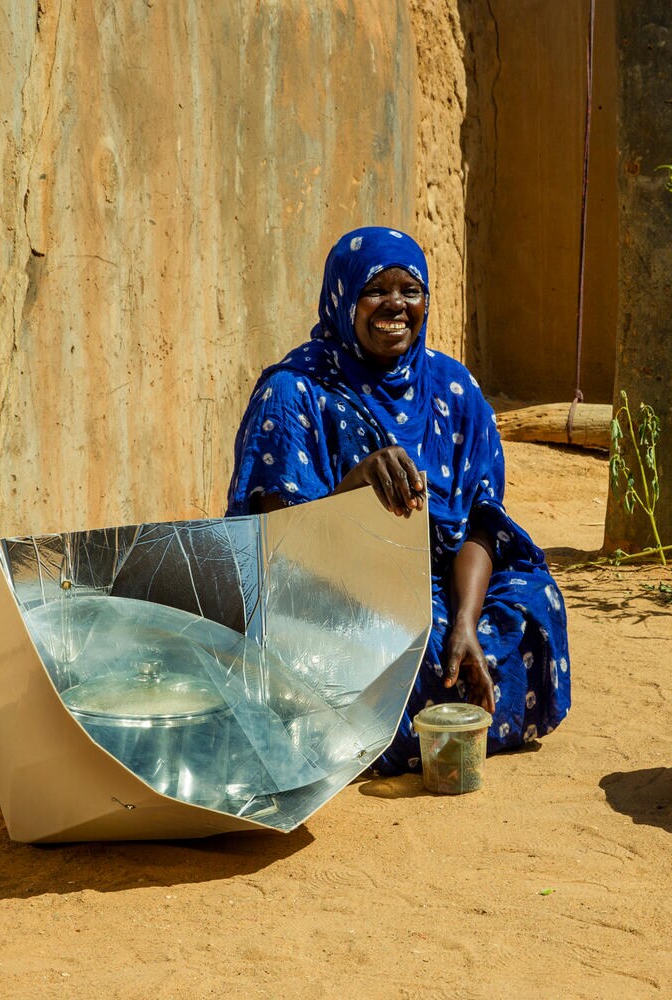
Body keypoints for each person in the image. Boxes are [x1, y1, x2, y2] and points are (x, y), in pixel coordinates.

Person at [225, 226, 571, 774]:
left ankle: (411, 712)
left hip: (437, 585)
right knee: (400, 650)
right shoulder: (295, 392)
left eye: (409, 290)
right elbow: (279, 547)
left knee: (530, 609)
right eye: (375, 291)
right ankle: (381, 726)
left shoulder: (453, 391)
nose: (395, 306)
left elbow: (482, 522)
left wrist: (463, 621)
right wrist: (353, 486)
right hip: (333, 591)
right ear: (343, 300)